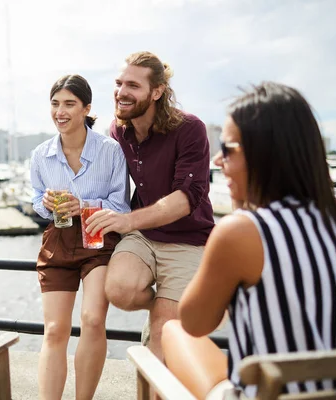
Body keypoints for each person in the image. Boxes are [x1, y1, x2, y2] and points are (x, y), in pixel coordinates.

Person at [162, 82, 336, 399]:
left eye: (228, 149)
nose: (219, 162)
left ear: (263, 156)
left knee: (171, 330)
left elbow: (194, 322)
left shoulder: (241, 231)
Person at [84, 51, 214, 360]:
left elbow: (186, 198)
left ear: (156, 92)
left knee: (161, 341)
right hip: (144, 236)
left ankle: (171, 310)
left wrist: (127, 221)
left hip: (188, 239)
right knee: (118, 290)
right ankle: (165, 304)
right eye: (118, 83)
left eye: (133, 85)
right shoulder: (118, 132)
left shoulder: (190, 129)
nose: (121, 92)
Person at [30, 74, 130, 400]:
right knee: (55, 330)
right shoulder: (40, 155)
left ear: (86, 108)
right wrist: (44, 205)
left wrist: (83, 205)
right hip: (57, 239)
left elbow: (121, 205)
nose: (61, 111)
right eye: (56, 103)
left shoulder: (110, 151)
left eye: (69, 104)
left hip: (98, 238)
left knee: (91, 319)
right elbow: (34, 201)